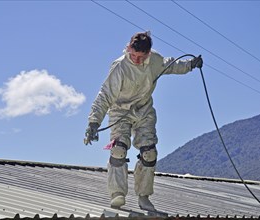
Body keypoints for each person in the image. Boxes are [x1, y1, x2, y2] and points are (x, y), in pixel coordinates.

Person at [84, 31, 203, 211]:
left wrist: (191, 65)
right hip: (120, 112)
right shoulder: (120, 67)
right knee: (118, 150)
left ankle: (144, 196)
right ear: (128, 49)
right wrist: (94, 121)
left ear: (148, 53)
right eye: (134, 56)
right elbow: (105, 95)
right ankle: (117, 193)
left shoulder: (154, 60)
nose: (137, 60)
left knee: (149, 153)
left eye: (141, 57)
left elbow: (171, 65)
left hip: (144, 111)